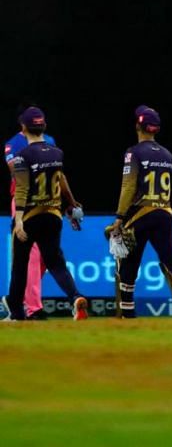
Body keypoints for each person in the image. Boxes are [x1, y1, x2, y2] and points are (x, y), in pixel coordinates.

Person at [4, 107, 88, 321]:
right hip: (53, 212)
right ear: (44, 127)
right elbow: (61, 179)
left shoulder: (21, 153)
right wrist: (70, 204)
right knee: (55, 262)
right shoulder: (56, 152)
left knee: (21, 264)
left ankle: (20, 309)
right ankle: (75, 297)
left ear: (24, 126)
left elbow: (21, 187)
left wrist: (19, 220)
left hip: (29, 212)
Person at [113, 106, 172, 319]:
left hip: (140, 213)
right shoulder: (168, 154)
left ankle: (128, 313)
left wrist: (120, 216)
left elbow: (129, 186)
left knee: (130, 263)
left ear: (137, 126)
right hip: (165, 213)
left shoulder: (133, 152)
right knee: (170, 260)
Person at [3, 104, 58, 319]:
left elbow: (57, 174)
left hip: (49, 202)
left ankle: (22, 301)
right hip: (25, 201)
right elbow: (15, 172)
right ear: (23, 124)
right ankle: (34, 308)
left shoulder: (50, 141)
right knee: (32, 256)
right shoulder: (13, 143)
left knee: (47, 256)